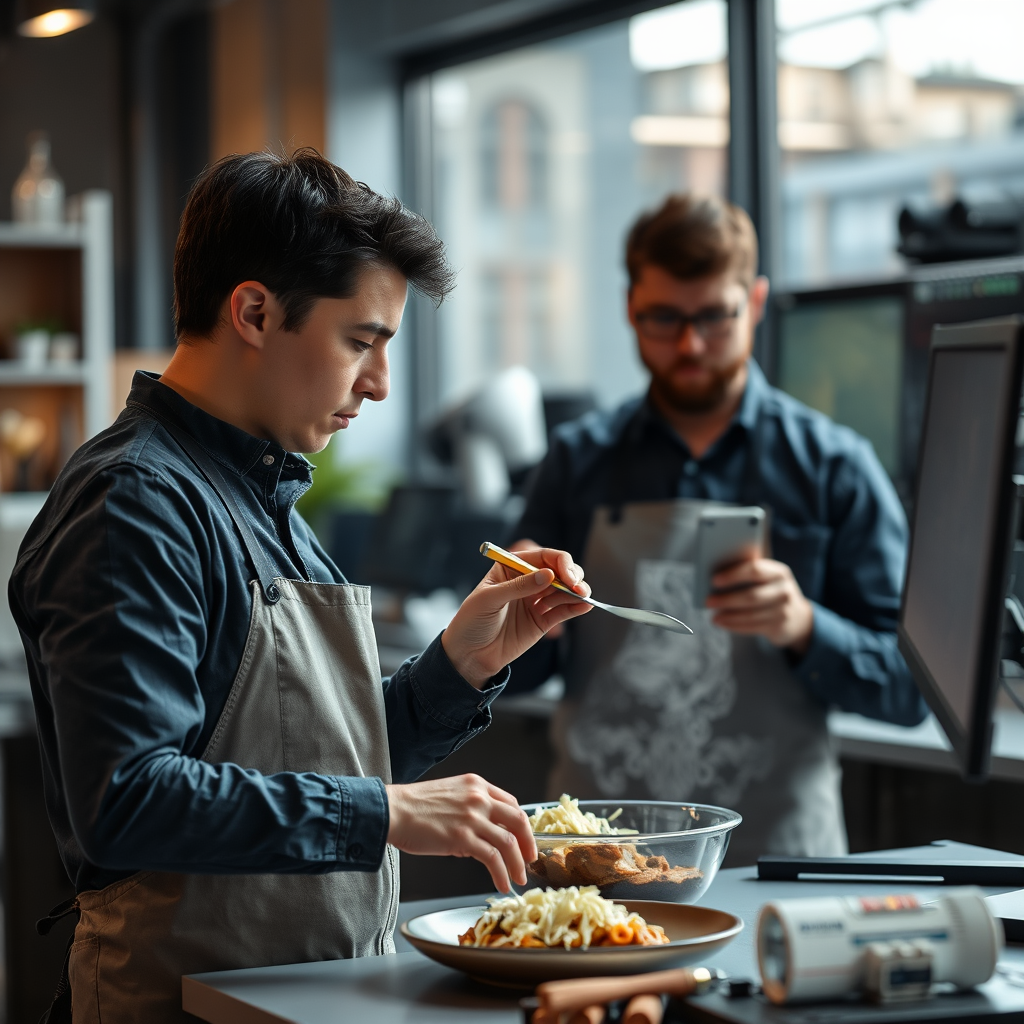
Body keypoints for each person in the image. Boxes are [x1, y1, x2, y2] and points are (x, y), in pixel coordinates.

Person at [9, 150, 593, 1024]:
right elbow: (126, 800)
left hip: (308, 999)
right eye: (361, 341)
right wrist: (386, 814)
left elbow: (327, 762)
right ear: (253, 311)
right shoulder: (134, 502)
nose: (381, 384)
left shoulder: (273, 502)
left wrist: (461, 664)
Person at [511, 194, 927, 866]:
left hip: (779, 859)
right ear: (629, 308)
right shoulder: (577, 461)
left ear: (755, 302)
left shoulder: (832, 466)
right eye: (663, 319)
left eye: (713, 317)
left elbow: (911, 692)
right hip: (598, 858)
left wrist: (804, 627)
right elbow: (521, 675)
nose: (689, 345)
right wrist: (520, 622)